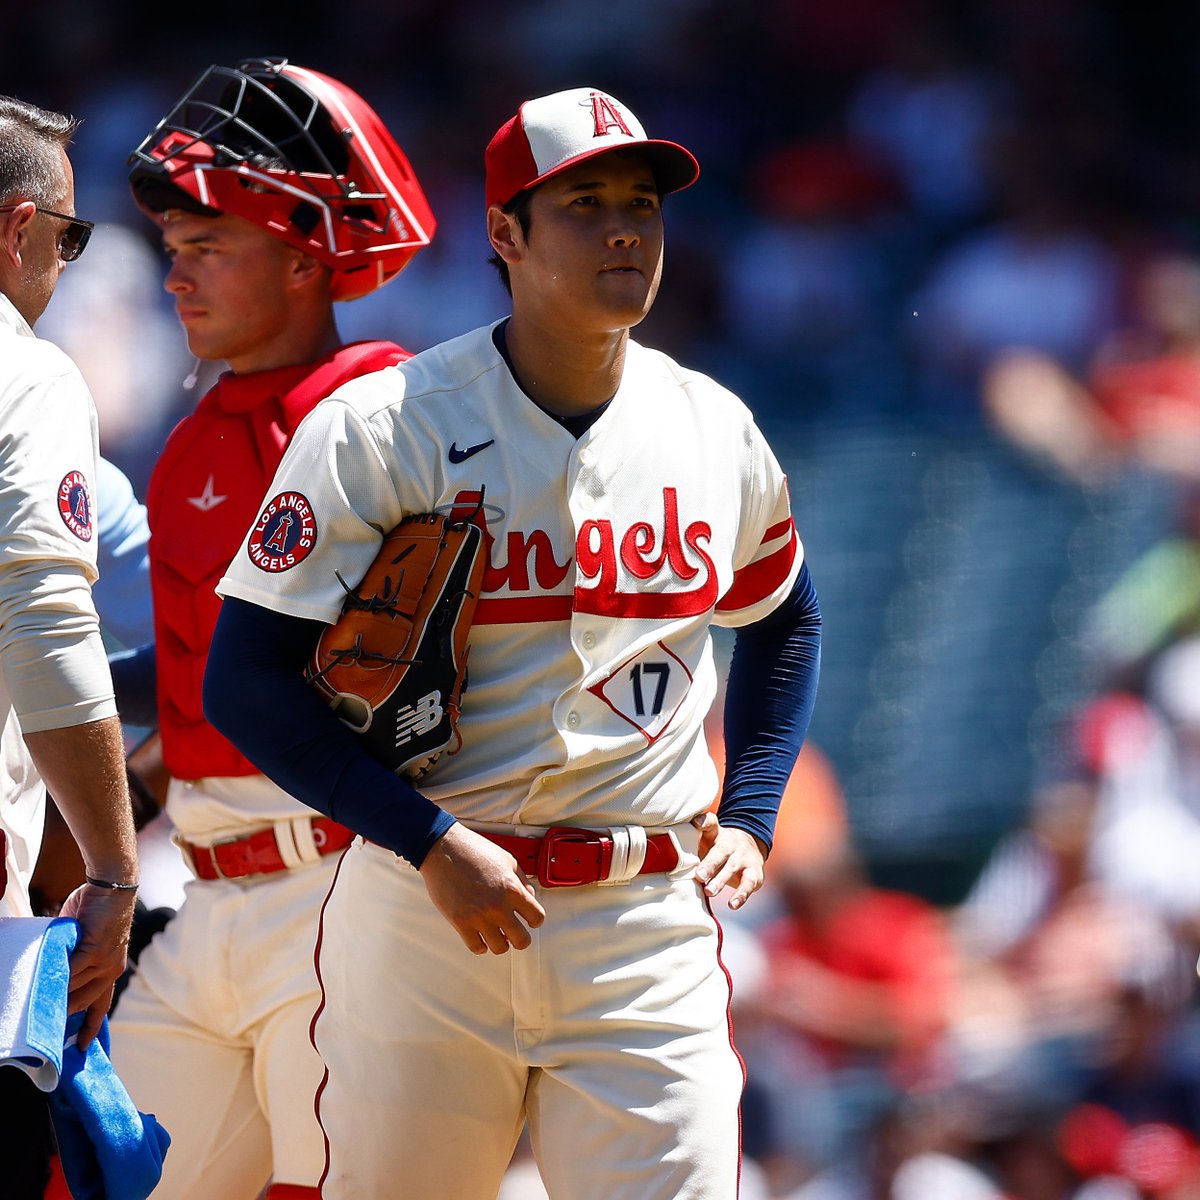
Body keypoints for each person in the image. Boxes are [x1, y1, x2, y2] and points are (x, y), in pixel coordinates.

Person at [205, 86, 822, 1199]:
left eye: (642, 203)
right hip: (428, 915)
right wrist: (427, 839)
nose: (626, 228)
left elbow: (786, 617)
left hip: (642, 921)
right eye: (583, 204)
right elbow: (243, 682)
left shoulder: (712, 425)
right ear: (505, 233)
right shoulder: (389, 426)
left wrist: (755, 805)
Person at [104, 57, 435, 1200]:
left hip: (347, 886)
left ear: (306, 259)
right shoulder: (200, 428)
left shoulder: (389, 416)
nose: (175, 280)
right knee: (103, 1180)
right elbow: (200, 674)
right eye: (172, 252)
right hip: (208, 895)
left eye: (209, 249)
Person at [0, 94, 140, 1195]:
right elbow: (45, 629)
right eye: (69, 236)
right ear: (17, 229)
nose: (67, 261)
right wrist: (112, 870)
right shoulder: (26, 371)